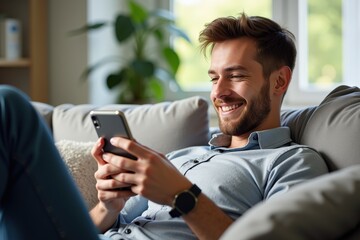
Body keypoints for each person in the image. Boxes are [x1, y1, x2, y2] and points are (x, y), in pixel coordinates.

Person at [0, 13, 328, 240]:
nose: (219, 92)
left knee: (9, 109)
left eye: (236, 75)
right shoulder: (186, 155)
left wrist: (181, 194)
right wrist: (108, 205)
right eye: (214, 78)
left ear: (279, 81)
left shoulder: (292, 162)